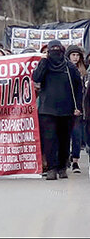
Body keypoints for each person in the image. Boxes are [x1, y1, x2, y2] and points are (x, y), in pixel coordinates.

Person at [33, 40, 82, 180]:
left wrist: (77, 106)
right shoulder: (45, 64)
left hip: (66, 110)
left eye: (57, 49)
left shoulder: (69, 67)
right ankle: (51, 168)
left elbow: (78, 87)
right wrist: (42, 62)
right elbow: (36, 78)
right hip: (47, 110)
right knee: (49, 140)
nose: (55, 52)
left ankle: (62, 167)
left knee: (64, 140)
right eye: (52, 49)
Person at [65, 45, 87, 174]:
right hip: (67, 107)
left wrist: (80, 107)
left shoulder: (84, 72)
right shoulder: (64, 70)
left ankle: (75, 161)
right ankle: (66, 156)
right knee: (66, 135)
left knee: (77, 135)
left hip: (80, 108)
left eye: (77, 55)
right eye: (73, 55)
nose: (75, 57)